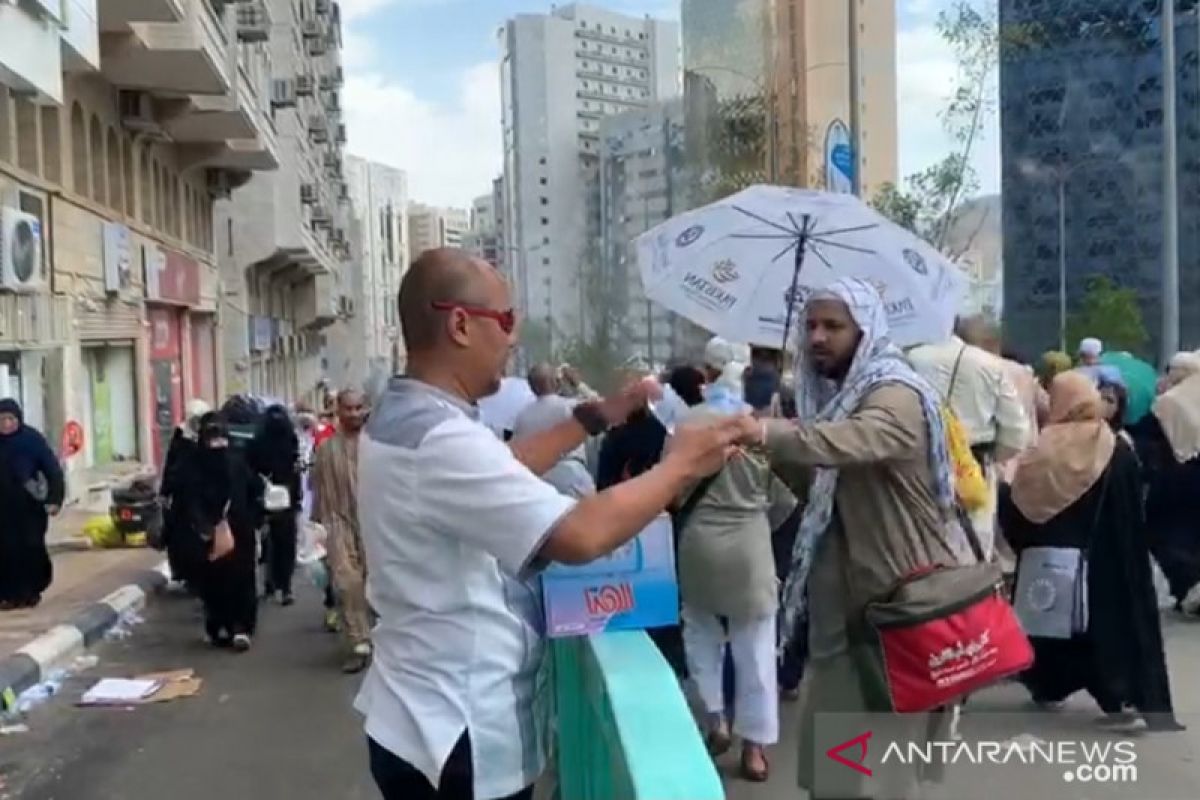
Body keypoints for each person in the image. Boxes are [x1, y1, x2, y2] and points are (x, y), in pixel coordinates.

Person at [355, 248, 739, 800]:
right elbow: (580, 535)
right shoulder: (439, 438)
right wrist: (681, 465)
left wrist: (599, 415)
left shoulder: (406, 418)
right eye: (507, 320)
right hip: (459, 726)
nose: (512, 339)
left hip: (419, 707)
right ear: (461, 324)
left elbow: (502, 468)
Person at [731, 278, 971, 800]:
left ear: (866, 330)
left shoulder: (895, 391)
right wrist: (770, 444)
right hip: (844, 601)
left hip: (897, 595)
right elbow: (822, 478)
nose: (818, 337)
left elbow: (863, 440)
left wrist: (773, 435)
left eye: (833, 326)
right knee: (837, 756)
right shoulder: (836, 400)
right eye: (812, 325)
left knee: (888, 756)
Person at [999, 372, 1183, 732]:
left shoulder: (1041, 449)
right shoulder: (1113, 447)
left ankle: (1048, 685)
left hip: (1049, 560)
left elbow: (1019, 505)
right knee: (1108, 624)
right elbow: (1130, 512)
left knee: (1052, 623)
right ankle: (1120, 695)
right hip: (1106, 560)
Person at [676, 359, 779, 782]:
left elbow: (673, 488)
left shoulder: (686, 424)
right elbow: (782, 494)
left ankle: (714, 719)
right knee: (755, 645)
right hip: (749, 546)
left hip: (697, 541)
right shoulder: (759, 427)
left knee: (700, 631)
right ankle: (754, 749)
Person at [907, 315, 1029, 563]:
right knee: (969, 551)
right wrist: (991, 457)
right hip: (971, 466)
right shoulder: (990, 365)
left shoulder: (910, 359)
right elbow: (1016, 434)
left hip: (914, 467)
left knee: (917, 550)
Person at [184, 413, 262, 650]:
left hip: (240, 530)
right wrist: (203, 527)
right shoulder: (195, 466)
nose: (218, 445)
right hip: (209, 534)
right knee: (213, 583)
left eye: (221, 438)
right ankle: (218, 625)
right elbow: (189, 498)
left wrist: (254, 519)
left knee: (242, 580)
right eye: (212, 438)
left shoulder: (237, 462)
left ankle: (241, 627)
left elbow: (253, 490)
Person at [311, 389, 373, 673]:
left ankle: (385, 640)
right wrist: (318, 531)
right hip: (338, 523)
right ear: (338, 410)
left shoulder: (377, 446)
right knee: (348, 582)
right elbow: (318, 490)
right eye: (348, 408)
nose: (354, 414)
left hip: (375, 523)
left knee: (378, 584)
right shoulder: (326, 449)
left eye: (359, 408)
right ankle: (359, 642)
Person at [1139, 364, 1200, 612]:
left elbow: (1144, 433)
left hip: (1175, 479)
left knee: (1163, 534)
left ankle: (1188, 584)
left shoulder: (1170, 402)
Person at [0, 399, 65, 609]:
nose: (6, 424)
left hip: (29, 508)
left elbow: (52, 470)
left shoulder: (32, 440)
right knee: (6, 551)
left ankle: (31, 591)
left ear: (18, 419)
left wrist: (55, 499)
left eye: (10, 419)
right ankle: (9, 595)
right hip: (3, 510)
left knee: (31, 548)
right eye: (1, 420)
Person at [511, 363, 595, 499]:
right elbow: (602, 408)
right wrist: (578, 384)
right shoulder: (570, 406)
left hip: (538, 481)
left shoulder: (522, 417)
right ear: (554, 382)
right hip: (571, 475)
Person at [250, 404, 304, 605]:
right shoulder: (289, 439)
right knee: (282, 543)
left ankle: (276, 583)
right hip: (281, 499)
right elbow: (295, 471)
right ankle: (282, 584)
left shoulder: (260, 440)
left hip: (271, 499)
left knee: (272, 543)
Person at [159, 399, 211, 589]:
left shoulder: (211, 436)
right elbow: (171, 464)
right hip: (182, 496)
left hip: (203, 497)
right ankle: (184, 573)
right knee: (180, 537)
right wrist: (165, 491)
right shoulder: (181, 436)